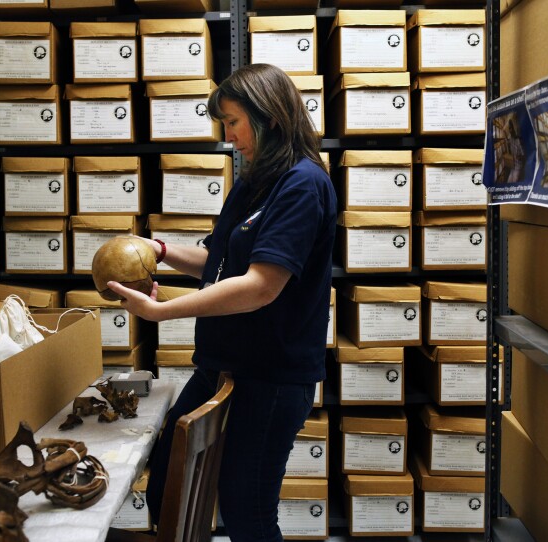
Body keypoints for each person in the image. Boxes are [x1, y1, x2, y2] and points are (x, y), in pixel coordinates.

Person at [107, 63, 336, 541]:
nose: (229, 136)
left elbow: (260, 285)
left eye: (233, 122)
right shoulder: (255, 180)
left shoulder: (302, 183)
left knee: (247, 512)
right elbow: (216, 259)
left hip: (271, 376)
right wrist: (161, 251)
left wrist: (160, 312)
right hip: (223, 366)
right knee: (168, 479)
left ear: (269, 116)